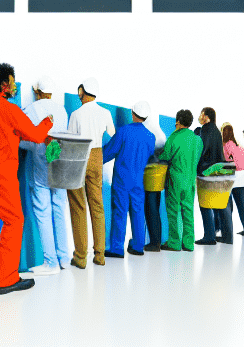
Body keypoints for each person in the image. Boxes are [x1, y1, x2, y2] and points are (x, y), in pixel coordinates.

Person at [0, 63, 53, 294]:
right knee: (14, 220)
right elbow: (37, 135)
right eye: (12, 80)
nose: (15, 85)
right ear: (4, 85)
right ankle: (7, 278)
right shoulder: (10, 109)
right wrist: (47, 121)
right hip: (3, 171)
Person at [22, 76, 71, 275]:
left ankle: (50, 263)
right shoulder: (62, 110)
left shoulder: (31, 109)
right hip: (60, 164)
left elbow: (25, 138)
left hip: (41, 164)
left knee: (43, 211)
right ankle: (64, 258)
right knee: (59, 207)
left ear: (37, 92)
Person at [66, 78, 115, 268]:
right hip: (97, 156)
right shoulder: (105, 113)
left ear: (82, 92)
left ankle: (80, 257)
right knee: (97, 206)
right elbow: (113, 134)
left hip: (79, 156)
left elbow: (70, 141)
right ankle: (100, 255)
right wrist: (103, 154)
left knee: (78, 205)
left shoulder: (76, 114)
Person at [102, 100, 157, 258]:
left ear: (133, 114)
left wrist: (95, 159)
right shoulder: (150, 137)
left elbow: (109, 152)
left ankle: (117, 248)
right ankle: (138, 246)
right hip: (139, 179)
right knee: (138, 212)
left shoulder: (124, 131)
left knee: (120, 211)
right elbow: (148, 155)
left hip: (122, 179)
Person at [161, 109, 202, 251]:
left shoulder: (174, 137)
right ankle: (189, 244)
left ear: (178, 121)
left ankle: (174, 243)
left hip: (175, 180)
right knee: (188, 211)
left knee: (173, 211)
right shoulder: (197, 139)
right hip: (190, 180)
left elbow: (165, 156)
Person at [194, 106, 233, 245]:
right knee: (219, 205)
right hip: (218, 173)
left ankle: (209, 236)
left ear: (206, 115)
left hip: (206, 172)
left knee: (204, 205)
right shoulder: (216, 130)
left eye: (201, 113)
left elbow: (202, 150)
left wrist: (195, 166)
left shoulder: (206, 129)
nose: (200, 116)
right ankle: (226, 236)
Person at [222, 122, 244, 237]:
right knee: (243, 208)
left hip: (234, 178)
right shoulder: (238, 145)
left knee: (227, 208)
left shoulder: (226, 145)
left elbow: (226, 162)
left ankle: (227, 234)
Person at [142, 111, 168, 252]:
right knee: (155, 208)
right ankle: (155, 241)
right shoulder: (160, 132)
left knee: (150, 209)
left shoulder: (148, 132)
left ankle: (154, 243)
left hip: (151, 175)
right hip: (159, 175)